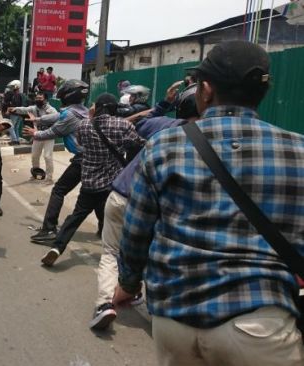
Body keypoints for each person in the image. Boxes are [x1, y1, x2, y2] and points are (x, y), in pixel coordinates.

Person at [114, 41, 304, 365]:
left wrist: (128, 284)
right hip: (260, 323)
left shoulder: (164, 145)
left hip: (174, 319)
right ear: (263, 90)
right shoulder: (298, 151)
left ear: (205, 89)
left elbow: (137, 229)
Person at [89, 81, 199, 331]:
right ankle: (145, 298)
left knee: (111, 252)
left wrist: (163, 104)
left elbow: (136, 122)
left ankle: (104, 304)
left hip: (120, 193)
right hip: (153, 204)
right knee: (152, 251)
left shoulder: (164, 124)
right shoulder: (214, 141)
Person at [40, 93, 145, 267]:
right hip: (112, 184)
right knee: (117, 219)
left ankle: (57, 247)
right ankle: (123, 256)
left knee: (76, 216)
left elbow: (80, 143)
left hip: (89, 182)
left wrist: (90, 117)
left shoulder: (84, 126)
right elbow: (139, 143)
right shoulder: (123, 125)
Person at [24, 80, 89, 243]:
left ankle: (49, 229)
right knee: (96, 194)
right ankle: (103, 228)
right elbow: (55, 116)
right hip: (93, 158)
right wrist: (38, 121)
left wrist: (35, 133)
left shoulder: (70, 115)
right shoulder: (83, 111)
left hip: (83, 159)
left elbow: (55, 130)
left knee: (58, 190)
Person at [9, 92, 59, 182]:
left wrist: (39, 119)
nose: (38, 100)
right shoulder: (34, 108)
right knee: (34, 156)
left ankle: (49, 177)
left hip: (48, 135)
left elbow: (55, 118)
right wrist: (15, 109)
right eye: (37, 98)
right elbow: (24, 109)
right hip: (37, 135)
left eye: (40, 98)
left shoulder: (51, 110)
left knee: (48, 156)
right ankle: (36, 174)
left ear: (46, 100)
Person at [3, 80, 24, 145]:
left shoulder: (12, 94)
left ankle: (14, 140)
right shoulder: (21, 95)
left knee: (10, 126)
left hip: (14, 113)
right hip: (20, 113)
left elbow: (11, 104)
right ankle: (17, 140)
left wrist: (7, 110)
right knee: (16, 127)